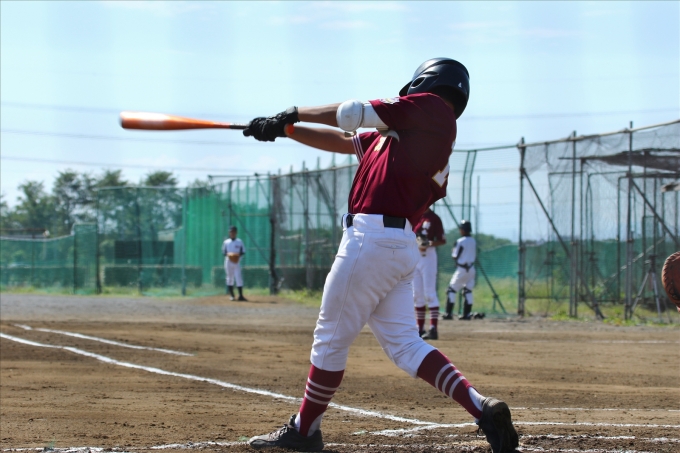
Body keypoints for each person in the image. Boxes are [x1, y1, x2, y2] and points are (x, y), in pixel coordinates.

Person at [242, 58, 518, 453]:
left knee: (329, 339)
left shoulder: (430, 108)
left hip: (370, 241)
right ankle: (482, 409)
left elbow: (350, 114)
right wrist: (285, 130)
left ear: (426, 81)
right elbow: (344, 141)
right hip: (397, 246)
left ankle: (304, 430)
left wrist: (294, 111)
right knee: (406, 345)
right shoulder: (410, 133)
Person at [413, 207, 446, 340]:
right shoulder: (417, 215)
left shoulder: (434, 218)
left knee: (429, 293)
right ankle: (419, 329)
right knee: (417, 294)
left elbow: (442, 240)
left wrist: (429, 243)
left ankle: (433, 329)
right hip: (415, 255)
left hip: (428, 255)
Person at [443, 220, 476, 320]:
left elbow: (455, 256)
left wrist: (453, 250)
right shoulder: (473, 241)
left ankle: (448, 314)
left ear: (463, 230)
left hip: (462, 269)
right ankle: (467, 315)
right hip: (471, 269)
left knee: (451, 290)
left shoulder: (460, 241)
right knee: (468, 290)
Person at [222, 226, 247, 301]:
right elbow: (224, 252)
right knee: (229, 278)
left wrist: (236, 255)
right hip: (228, 261)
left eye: (233, 231)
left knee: (238, 278)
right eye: (231, 232)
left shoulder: (239, 241)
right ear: (229, 233)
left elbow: (243, 251)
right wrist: (230, 255)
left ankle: (240, 296)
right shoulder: (226, 242)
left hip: (237, 262)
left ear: (236, 232)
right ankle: (232, 295)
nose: (232, 233)